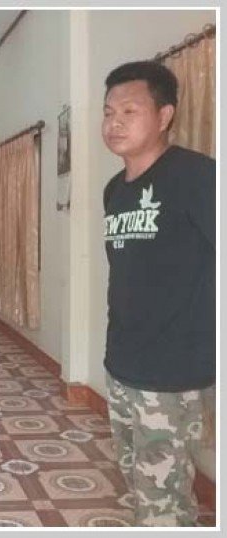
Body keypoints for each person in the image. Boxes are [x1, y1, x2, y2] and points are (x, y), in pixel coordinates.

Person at [101, 60, 215, 526]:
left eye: (130, 111)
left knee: (164, 500)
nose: (115, 123)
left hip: (174, 371)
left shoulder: (198, 178)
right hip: (122, 363)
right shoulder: (115, 190)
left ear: (165, 115)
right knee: (139, 482)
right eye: (109, 112)